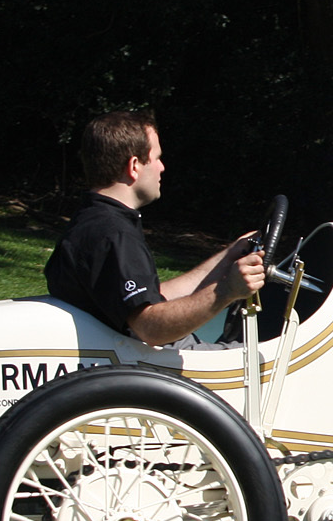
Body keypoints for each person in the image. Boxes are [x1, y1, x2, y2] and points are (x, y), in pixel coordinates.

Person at [45, 110, 266, 345]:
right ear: (134, 166)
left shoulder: (93, 221)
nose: (162, 167)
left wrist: (227, 257)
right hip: (143, 365)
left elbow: (145, 301)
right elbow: (150, 328)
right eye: (157, 158)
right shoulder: (114, 234)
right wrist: (226, 291)